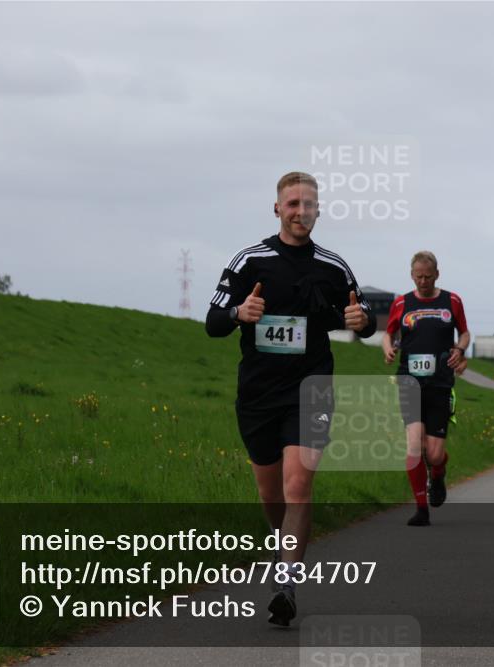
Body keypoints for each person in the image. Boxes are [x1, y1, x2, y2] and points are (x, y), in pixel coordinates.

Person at [205, 171, 375, 626]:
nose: (302, 212)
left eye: (310, 204)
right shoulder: (250, 261)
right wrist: (239, 313)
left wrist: (361, 320)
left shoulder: (333, 266)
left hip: (312, 385)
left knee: (298, 483)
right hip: (259, 392)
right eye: (294, 203)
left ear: (319, 210)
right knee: (270, 492)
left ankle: (286, 579)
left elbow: (364, 316)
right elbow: (213, 321)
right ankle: (283, 546)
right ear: (277, 209)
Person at [383, 251, 469, 527]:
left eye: (428, 277)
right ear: (411, 275)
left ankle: (439, 473)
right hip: (409, 381)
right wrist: (388, 349)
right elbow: (389, 334)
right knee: (414, 444)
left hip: (441, 383)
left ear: (437, 274)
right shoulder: (401, 303)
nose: (423, 281)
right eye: (418, 276)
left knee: (433, 454)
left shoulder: (451, 301)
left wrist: (460, 348)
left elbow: (464, 333)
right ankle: (421, 508)